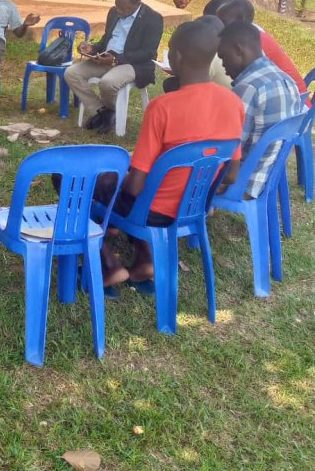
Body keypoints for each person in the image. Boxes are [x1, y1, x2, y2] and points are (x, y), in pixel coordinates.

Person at [96, 20, 245, 286]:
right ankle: (145, 260)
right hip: (195, 208)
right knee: (139, 187)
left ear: (176, 57)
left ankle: (109, 264)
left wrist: (122, 175)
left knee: (81, 182)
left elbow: (135, 186)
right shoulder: (234, 103)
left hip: (153, 211)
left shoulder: (162, 107)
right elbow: (232, 175)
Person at [65, 0, 163, 134]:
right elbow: (107, 40)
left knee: (108, 82)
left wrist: (117, 59)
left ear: (137, 4)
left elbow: (148, 52)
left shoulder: (153, 19)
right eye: (117, 5)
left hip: (134, 64)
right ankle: (104, 112)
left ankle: (107, 115)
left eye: (124, 8)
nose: (119, 10)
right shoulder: (113, 12)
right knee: (71, 73)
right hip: (106, 58)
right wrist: (92, 48)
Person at [217, 21, 301, 199]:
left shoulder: (248, 88)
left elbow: (229, 148)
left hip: (243, 182)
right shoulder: (284, 78)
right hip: (269, 176)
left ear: (239, 50)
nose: (223, 66)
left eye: (223, 57)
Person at [217, 0, 308, 98]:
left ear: (240, 21)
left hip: (297, 102)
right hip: (296, 103)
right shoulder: (254, 36)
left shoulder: (247, 42)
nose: (218, 27)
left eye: (223, 22)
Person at [162, 15, 232, 93]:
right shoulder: (220, 51)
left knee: (173, 85)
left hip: (212, 97)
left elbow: (195, 80)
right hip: (220, 94)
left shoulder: (210, 56)